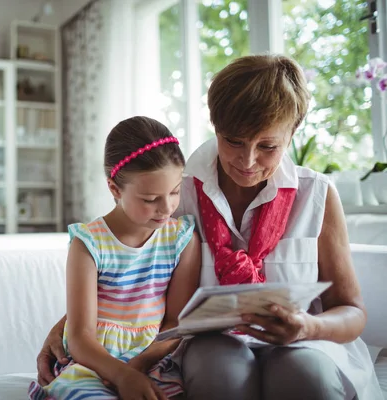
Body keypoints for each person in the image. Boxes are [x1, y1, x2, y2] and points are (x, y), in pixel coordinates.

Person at [36, 54, 382, 400]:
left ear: (292, 133)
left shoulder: (317, 194)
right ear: (215, 125)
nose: (247, 162)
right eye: (233, 141)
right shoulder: (175, 192)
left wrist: (309, 326)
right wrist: (67, 328)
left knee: (305, 378)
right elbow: (128, 270)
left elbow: (352, 311)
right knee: (221, 377)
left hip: (304, 343)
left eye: (267, 146)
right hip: (210, 343)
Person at [28, 116, 202, 400]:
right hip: (94, 364)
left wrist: (138, 367)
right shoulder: (89, 243)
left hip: (154, 361)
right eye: (149, 199)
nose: (167, 207)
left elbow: (175, 324)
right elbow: (80, 337)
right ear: (115, 189)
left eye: (174, 192)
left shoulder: (182, 239)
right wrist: (121, 375)